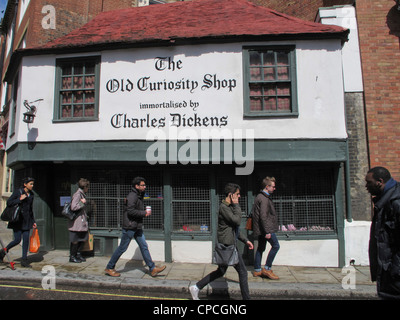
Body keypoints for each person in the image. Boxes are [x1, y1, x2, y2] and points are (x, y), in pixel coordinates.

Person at [189, 183, 253, 300]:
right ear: (231, 194)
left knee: (221, 271)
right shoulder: (224, 207)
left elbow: (234, 229)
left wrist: (245, 240)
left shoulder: (229, 207)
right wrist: (237, 205)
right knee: (243, 272)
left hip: (228, 245)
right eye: (237, 194)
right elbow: (237, 221)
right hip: (227, 246)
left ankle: (196, 287)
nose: (239, 197)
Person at [105, 177, 166, 277]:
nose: (144, 186)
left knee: (144, 246)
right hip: (130, 226)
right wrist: (144, 213)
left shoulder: (138, 195)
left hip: (136, 226)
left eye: (144, 185)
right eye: (142, 185)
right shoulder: (132, 196)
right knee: (122, 248)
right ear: (136, 186)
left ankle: (152, 268)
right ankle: (109, 267)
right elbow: (130, 211)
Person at [365, 166, 400, 299]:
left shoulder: (395, 202)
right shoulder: (384, 200)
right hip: (388, 271)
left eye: (369, 182)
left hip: (394, 274)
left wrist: (395, 269)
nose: (366, 186)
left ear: (379, 181)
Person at [0, 177, 37, 267]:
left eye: (33, 184)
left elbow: (30, 210)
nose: (32, 185)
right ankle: (3, 251)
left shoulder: (31, 195)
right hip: (18, 220)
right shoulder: (18, 192)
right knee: (17, 240)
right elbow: (9, 202)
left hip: (27, 220)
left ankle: (24, 260)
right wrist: (19, 199)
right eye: (30, 184)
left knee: (26, 241)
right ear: (25, 184)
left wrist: (33, 221)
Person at [252, 176, 280, 280]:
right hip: (266, 229)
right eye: (273, 186)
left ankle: (257, 270)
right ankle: (267, 268)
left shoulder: (260, 197)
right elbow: (263, 216)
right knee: (276, 246)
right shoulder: (263, 199)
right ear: (267, 186)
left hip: (261, 229)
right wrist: (267, 231)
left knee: (260, 248)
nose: (274, 188)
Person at [69, 178, 90, 263]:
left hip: (81, 221)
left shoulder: (81, 194)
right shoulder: (78, 194)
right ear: (85, 187)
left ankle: (78, 254)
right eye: (87, 187)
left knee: (82, 238)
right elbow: (73, 207)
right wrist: (82, 203)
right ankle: (72, 256)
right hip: (76, 222)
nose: (88, 189)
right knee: (75, 240)